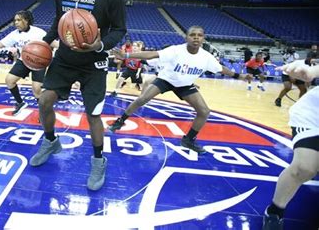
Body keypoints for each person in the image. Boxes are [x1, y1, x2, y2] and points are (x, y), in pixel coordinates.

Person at [28, 0, 127, 191]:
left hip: (94, 62)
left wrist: (101, 44)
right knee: (44, 100)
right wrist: (44, 41)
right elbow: (59, 21)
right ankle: (50, 141)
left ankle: (98, 160)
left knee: (93, 115)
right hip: (65, 58)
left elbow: (119, 29)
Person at [108, 26, 252, 153]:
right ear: (186, 37)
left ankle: (188, 139)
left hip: (184, 85)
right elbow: (152, 54)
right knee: (143, 98)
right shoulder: (176, 50)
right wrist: (127, 55)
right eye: (192, 35)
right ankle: (120, 121)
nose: (196, 37)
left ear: (203, 38)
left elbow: (221, 69)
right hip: (166, 80)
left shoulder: (206, 57)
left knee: (204, 111)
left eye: (199, 35)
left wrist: (239, 76)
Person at [262, 61, 319, 230]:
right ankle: (275, 211)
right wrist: (310, 72)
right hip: (314, 116)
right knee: (304, 168)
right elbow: (314, 70)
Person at [0, 10, 53, 115]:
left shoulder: (39, 32)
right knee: (9, 80)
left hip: (38, 62)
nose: (15, 22)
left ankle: (43, 112)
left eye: (18, 20)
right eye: (15, 20)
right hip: (24, 60)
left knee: (36, 89)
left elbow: (53, 43)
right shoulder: (14, 34)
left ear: (26, 20)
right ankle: (20, 103)